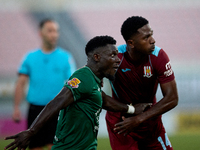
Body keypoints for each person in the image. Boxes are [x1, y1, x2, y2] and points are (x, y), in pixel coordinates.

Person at [4, 35, 151, 150]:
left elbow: (103, 99)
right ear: (97, 57)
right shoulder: (83, 76)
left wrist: (131, 109)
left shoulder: (94, 81)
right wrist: (31, 132)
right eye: (112, 55)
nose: (117, 60)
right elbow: (57, 102)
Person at [106, 16, 179, 150]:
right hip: (121, 124)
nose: (153, 40)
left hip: (150, 123)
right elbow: (93, 90)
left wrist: (139, 119)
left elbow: (172, 98)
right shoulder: (114, 58)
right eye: (146, 38)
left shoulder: (159, 56)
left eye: (151, 34)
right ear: (131, 43)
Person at [12, 19, 76, 150]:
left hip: (57, 109)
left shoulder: (66, 57)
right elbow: (20, 83)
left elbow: (73, 83)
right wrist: (16, 107)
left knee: (57, 146)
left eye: (56, 31)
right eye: (50, 30)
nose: (54, 34)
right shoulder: (29, 57)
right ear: (40, 33)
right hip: (35, 109)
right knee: (35, 146)